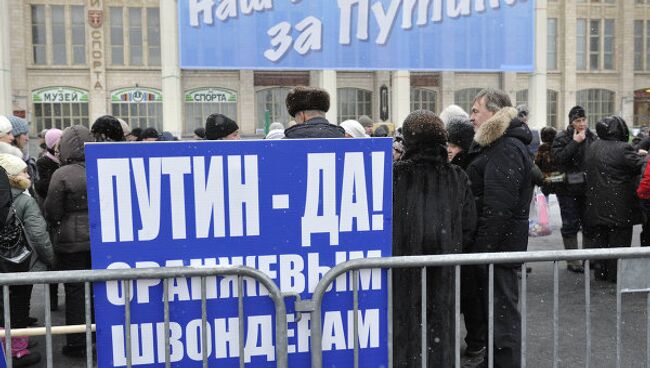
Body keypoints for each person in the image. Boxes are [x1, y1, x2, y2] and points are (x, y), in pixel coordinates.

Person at [393, 110, 476, 367]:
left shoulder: (395, 176)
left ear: (408, 141)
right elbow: (469, 226)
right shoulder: (457, 177)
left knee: (404, 335)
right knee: (441, 333)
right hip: (445, 273)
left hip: (401, 274)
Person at [464, 88, 533, 368]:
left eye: (475, 110)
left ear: (494, 113)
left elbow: (498, 208)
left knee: (502, 315)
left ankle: (504, 362)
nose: (471, 117)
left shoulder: (506, 148)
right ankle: (495, 360)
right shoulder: (497, 145)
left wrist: (482, 251)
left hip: (499, 251)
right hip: (495, 249)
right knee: (495, 312)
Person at [0, 154, 55, 367]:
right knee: (19, 305)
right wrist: (51, 259)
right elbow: (39, 234)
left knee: (4, 305)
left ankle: (8, 346)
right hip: (20, 261)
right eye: (23, 171)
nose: (28, 174)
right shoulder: (24, 199)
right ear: (13, 176)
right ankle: (17, 350)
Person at [44, 125, 95, 358]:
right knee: (100, 289)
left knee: (75, 292)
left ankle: (76, 342)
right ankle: (98, 333)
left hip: (70, 242)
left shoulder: (61, 174)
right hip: (100, 241)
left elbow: (52, 211)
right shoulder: (100, 167)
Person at [585, 116, 645, 282]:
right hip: (619, 206)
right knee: (619, 244)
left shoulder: (593, 146)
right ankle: (615, 276)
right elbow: (640, 165)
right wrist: (643, 153)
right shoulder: (623, 148)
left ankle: (600, 272)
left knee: (601, 241)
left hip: (597, 204)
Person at [551, 106, 597, 273]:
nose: (582, 124)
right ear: (571, 122)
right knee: (570, 224)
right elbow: (559, 159)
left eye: (584, 120)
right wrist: (575, 142)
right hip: (567, 189)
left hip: (587, 188)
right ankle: (573, 261)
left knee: (589, 224)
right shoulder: (562, 137)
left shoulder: (592, 136)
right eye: (578, 121)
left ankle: (588, 258)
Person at [34, 128, 63, 311]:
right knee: (52, 262)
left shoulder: (65, 162)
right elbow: (43, 187)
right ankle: (52, 300)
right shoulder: (44, 162)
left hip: (62, 218)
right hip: (50, 217)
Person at [535, 127, 561, 196]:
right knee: (559, 197)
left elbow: (538, 163)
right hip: (558, 176)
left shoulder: (542, 147)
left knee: (544, 198)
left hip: (546, 177)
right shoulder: (558, 146)